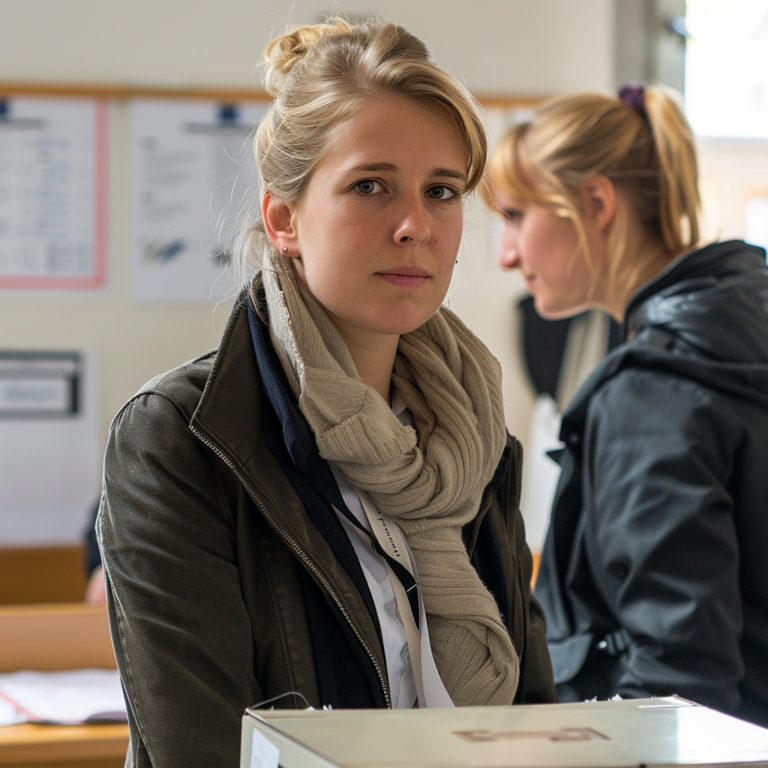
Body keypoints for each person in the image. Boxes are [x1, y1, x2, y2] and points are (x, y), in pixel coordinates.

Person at [98, 18, 555, 768]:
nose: (416, 225)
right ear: (285, 219)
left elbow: (536, 722)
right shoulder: (181, 440)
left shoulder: (478, 443)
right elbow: (205, 750)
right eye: (370, 186)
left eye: (441, 192)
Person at [486, 84, 768, 727]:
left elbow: (677, 689)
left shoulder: (652, 394)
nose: (507, 255)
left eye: (516, 217)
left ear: (594, 202)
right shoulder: (737, 338)